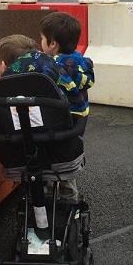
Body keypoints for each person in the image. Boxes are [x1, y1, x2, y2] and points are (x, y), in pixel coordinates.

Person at [0, 34, 85, 203]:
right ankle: (69, 199)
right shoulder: (57, 74)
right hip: (62, 153)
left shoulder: (0, 91)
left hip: (18, 157)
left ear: (2, 65)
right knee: (59, 143)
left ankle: (38, 199)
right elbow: (78, 107)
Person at [39, 12, 95, 201]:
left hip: (56, 118)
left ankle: (45, 193)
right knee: (65, 155)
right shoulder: (79, 62)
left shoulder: (51, 67)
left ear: (53, 43)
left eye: (42, 39)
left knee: (47, 153)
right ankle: (69, 198)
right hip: (77, 120)